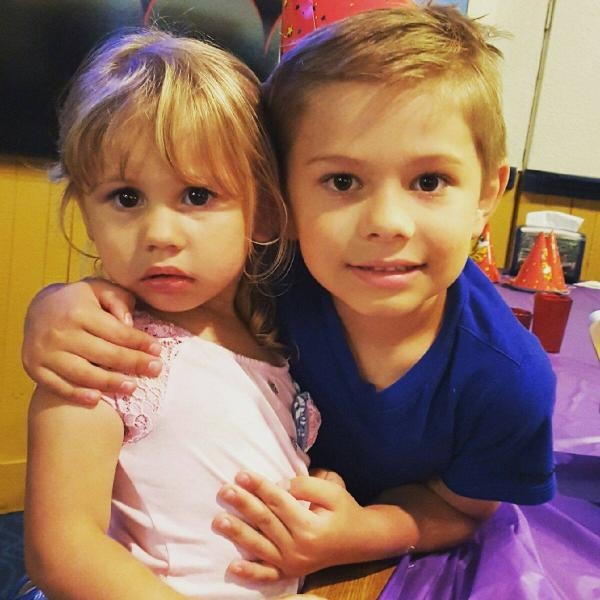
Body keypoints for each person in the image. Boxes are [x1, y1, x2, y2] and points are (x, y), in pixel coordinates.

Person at [21, 4, 556, 588]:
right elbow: (63, 546)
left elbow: (464, 509)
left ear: (487, 193)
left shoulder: (509, 380)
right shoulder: (261, 278)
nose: (386, 223)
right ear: (284, 201)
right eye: (342, 181)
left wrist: (365, 531)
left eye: (429, 181)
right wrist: (59, 305)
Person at [21, 28, 325, 600]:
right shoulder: (101, 352)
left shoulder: (274, 337)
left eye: (197, 196)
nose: (159, 233)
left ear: (264, 213)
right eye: (126, 197)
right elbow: (62, 552)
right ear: (86, 211)